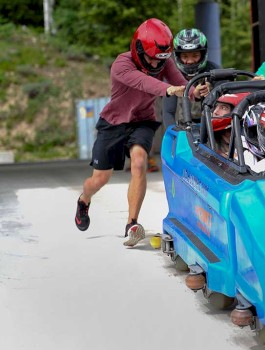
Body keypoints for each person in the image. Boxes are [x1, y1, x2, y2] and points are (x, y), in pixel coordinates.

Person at [74, 18, 210, 247]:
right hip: (114, 122)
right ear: (138, 50)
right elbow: (144, 83)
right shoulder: (121, 64)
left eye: (161, 61)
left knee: (139, 163)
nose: (156, 65)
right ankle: (84, 200)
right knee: (99, 179)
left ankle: (132, 225)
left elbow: (181, 85)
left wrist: (195, 91)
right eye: (151, 59)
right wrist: (169, 89)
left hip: (143, 121)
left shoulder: (161, 61)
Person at [163, 28, 221, 128]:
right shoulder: (172, 75)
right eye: (185, 56)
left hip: (213, 128)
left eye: (195, 55)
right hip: (184, 129)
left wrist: (212, 90)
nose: (190, 61)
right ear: (177, 56)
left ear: (202, 54)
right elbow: (168, 112)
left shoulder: (215, 71)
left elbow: (226, 104)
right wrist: (174, 134)